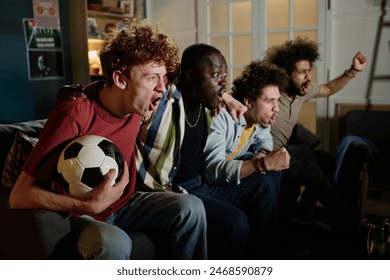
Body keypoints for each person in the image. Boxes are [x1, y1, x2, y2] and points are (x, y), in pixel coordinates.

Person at [9, 17, 208, 260]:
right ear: (120, 79)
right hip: (80, 215)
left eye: (163, 77)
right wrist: (87, 206)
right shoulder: (74, 113)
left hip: (124, 204)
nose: (162, 87)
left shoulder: (139, 105)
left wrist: (227, 98)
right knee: (115, 241)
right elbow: (19, 196)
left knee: (192, 207)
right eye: (151, 77)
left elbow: (188, 91)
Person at [203, 59, 366, 259]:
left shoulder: (261, 120)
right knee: (267, 179)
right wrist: (260, 163)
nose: (276, 108)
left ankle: (279, 238)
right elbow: (212, 170)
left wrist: (262, 154)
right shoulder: (222, 118)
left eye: (276, 100)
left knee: (279, 173)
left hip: (239, 170)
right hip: (212, 183)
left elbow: (264, 142)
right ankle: (272, 249)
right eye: (269, 101)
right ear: (248, 101)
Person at [136, 43, 282, 259]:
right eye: (215, 75)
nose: (223, 83)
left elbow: (248, 121)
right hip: (172, 190)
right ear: (189, 76)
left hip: (202, 183)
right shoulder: (160, 103)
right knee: (235, 222)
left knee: (263, 182)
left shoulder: (210, 105)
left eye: (224, 75)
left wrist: (227, 97)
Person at [263, 36, 367, 178]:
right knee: (317, 168)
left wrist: (353, 70)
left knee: (326, 161)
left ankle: (308, 201)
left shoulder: (302, 91)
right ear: (285, 74)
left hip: (285, 149)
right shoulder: (270, 95)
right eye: (301, 72)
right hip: (268, 154)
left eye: (308, 70)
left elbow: (329, 89)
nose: (308, 77)